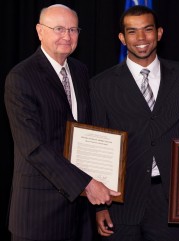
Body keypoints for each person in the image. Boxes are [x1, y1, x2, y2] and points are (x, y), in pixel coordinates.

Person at [4, 4, 120, 241]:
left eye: (73, 29)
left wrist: (99, 206)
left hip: (79, 215)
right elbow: (34, 147)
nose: (67, 36)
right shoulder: (21, 77)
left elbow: (88, 136)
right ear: (39, 31)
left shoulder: (80, 71)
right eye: (58, 28)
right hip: (39, 213)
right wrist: (87, 184)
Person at [89, 5, 179, 241]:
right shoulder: (101, 85)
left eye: (147, 30)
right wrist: (99, 207)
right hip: (121, 202)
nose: (141, 38)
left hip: (170, 201)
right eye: (132, 31)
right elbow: (97, 146)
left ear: (159, 33)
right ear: (122, 38)